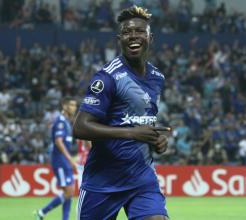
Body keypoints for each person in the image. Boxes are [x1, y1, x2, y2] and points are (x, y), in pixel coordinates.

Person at [73, 5, 170, 220]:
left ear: (150, 38)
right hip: (103, 181)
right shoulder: (107, 77)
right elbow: (80, 127)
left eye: (139, 31)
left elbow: (143, 120)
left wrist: (156, 140)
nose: (133, 36)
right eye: (127, 32)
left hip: (142, 178)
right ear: (120, 39)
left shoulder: (157, 78)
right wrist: (131, 133)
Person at [35, 97, 77, 220]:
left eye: (75, 105)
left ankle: (64, 218)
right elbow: (58, 142)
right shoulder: (60, 121)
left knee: (69, 192)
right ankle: (42, 212)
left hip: (64, 160)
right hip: (60, 160)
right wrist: (70, 159)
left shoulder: (66, 122)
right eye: (71, 105)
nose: (74, 108)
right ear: (64, 106)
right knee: (69, 192)